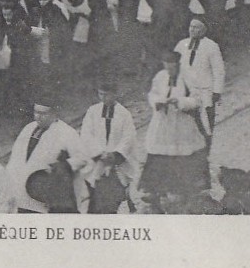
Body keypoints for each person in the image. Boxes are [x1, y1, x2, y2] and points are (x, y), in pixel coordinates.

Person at [139, 50, 212, 212]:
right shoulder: (160, 77)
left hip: (181, 123)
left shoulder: (188, 77)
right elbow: (153, 94)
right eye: (167, 66)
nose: (169, 70)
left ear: (178, 65)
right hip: (164, 124)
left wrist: (179, 101)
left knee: (184, 155)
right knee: (158, 154)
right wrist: (158, 102)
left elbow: (197, 99)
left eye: (172, 67)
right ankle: (154, 190)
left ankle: (189, 190)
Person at [5, 103, 89, 213]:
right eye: (36, 112)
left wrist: (62, 166)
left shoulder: (67, 132)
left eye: (43, 113)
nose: (37, 117)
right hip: (20, 194)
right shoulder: (28, 128)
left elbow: (82, 158)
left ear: (54, 113)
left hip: (43, 195)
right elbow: (15, 158)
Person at [78, 80, 140, 213]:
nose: (103, 98)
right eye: (101, 94)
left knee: (111, 199)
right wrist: (99, 153)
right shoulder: (92, 111)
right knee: (94, 199)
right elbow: (86, 134)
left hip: (115, 163)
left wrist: (115, 154)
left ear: (115, 94)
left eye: (107, 95)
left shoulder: (124, 114)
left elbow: (128, 137)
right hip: (98, 161)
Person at [173, 17, 225, 137]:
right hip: (188, 91)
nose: (192, 29)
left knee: (206, 124)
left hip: (205, 92)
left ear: (203, 30)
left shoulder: (211, 46)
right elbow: (175, 66)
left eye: (196, 27)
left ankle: (207, 142)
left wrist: (217, 91)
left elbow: (219, 71)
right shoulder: (182, 45)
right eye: (191, 26)